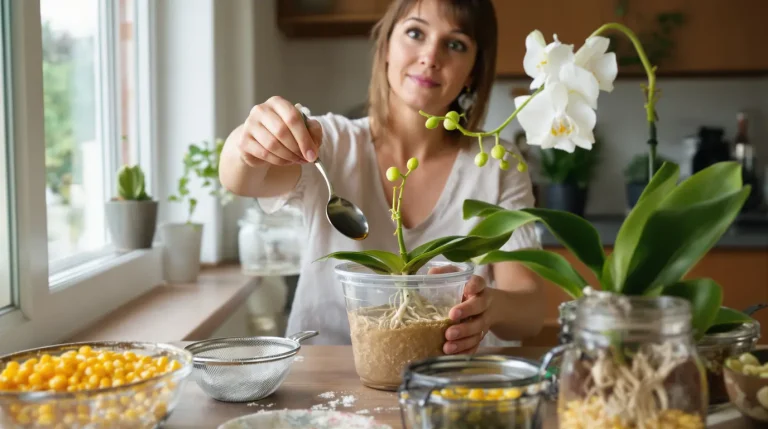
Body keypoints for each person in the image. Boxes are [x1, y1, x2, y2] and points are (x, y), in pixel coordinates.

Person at [219, 0, 545, 352]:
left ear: (472, 72)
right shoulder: (329, 143)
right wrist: (249, 141)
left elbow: (529, 312)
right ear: (386, 46)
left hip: (446, 382)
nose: (431, 56)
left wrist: (490, 308)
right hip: (323, 376)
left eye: (455, 44)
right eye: (415, 33)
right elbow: (242, 179)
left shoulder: (496, 165)